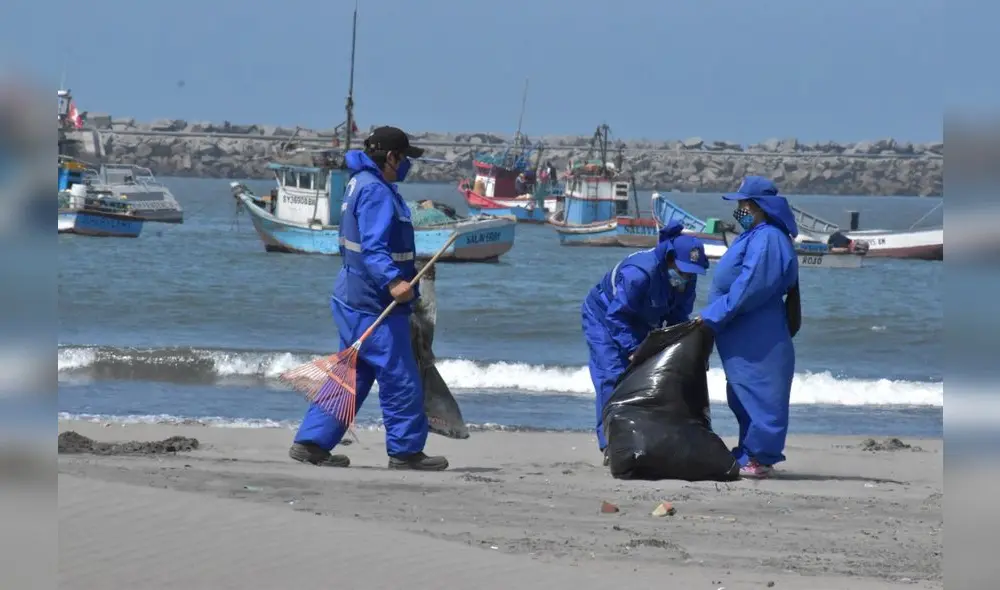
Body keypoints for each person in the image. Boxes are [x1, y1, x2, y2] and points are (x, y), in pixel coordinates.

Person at [289, 126, 448, 471]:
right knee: (400, 376)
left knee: (353, 373)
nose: (407, 165)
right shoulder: (376, 190)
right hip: (374, 302)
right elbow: (374, 248)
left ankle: (312, 443)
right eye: (404, 158)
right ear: (391, 157)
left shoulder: (359, 182)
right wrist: (394, 282)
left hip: (352, 294)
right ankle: (405, 452)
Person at [696, 176, 801, 479]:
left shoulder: (769, 238)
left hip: (759, 337)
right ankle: (747, 451)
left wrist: (714, 314)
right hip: (742, 336)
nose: (739, 209)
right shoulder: (754, 235)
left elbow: (751, 286)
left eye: (743, 204)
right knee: (743, 396)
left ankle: (761, 457)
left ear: (759, 206)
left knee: (763, 396)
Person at [581, 221, 710, 457]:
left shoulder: (687, 279)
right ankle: (611, 444)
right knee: (612, 375)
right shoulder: (638, 275)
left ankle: (644, 434)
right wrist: (633, 349)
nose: (686, 277)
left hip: (641, 318)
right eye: (682, 271)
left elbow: (678, 317)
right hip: (604, 316)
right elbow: (617, 316)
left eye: (691, 272)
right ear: (669, 259)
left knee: (648, 376)